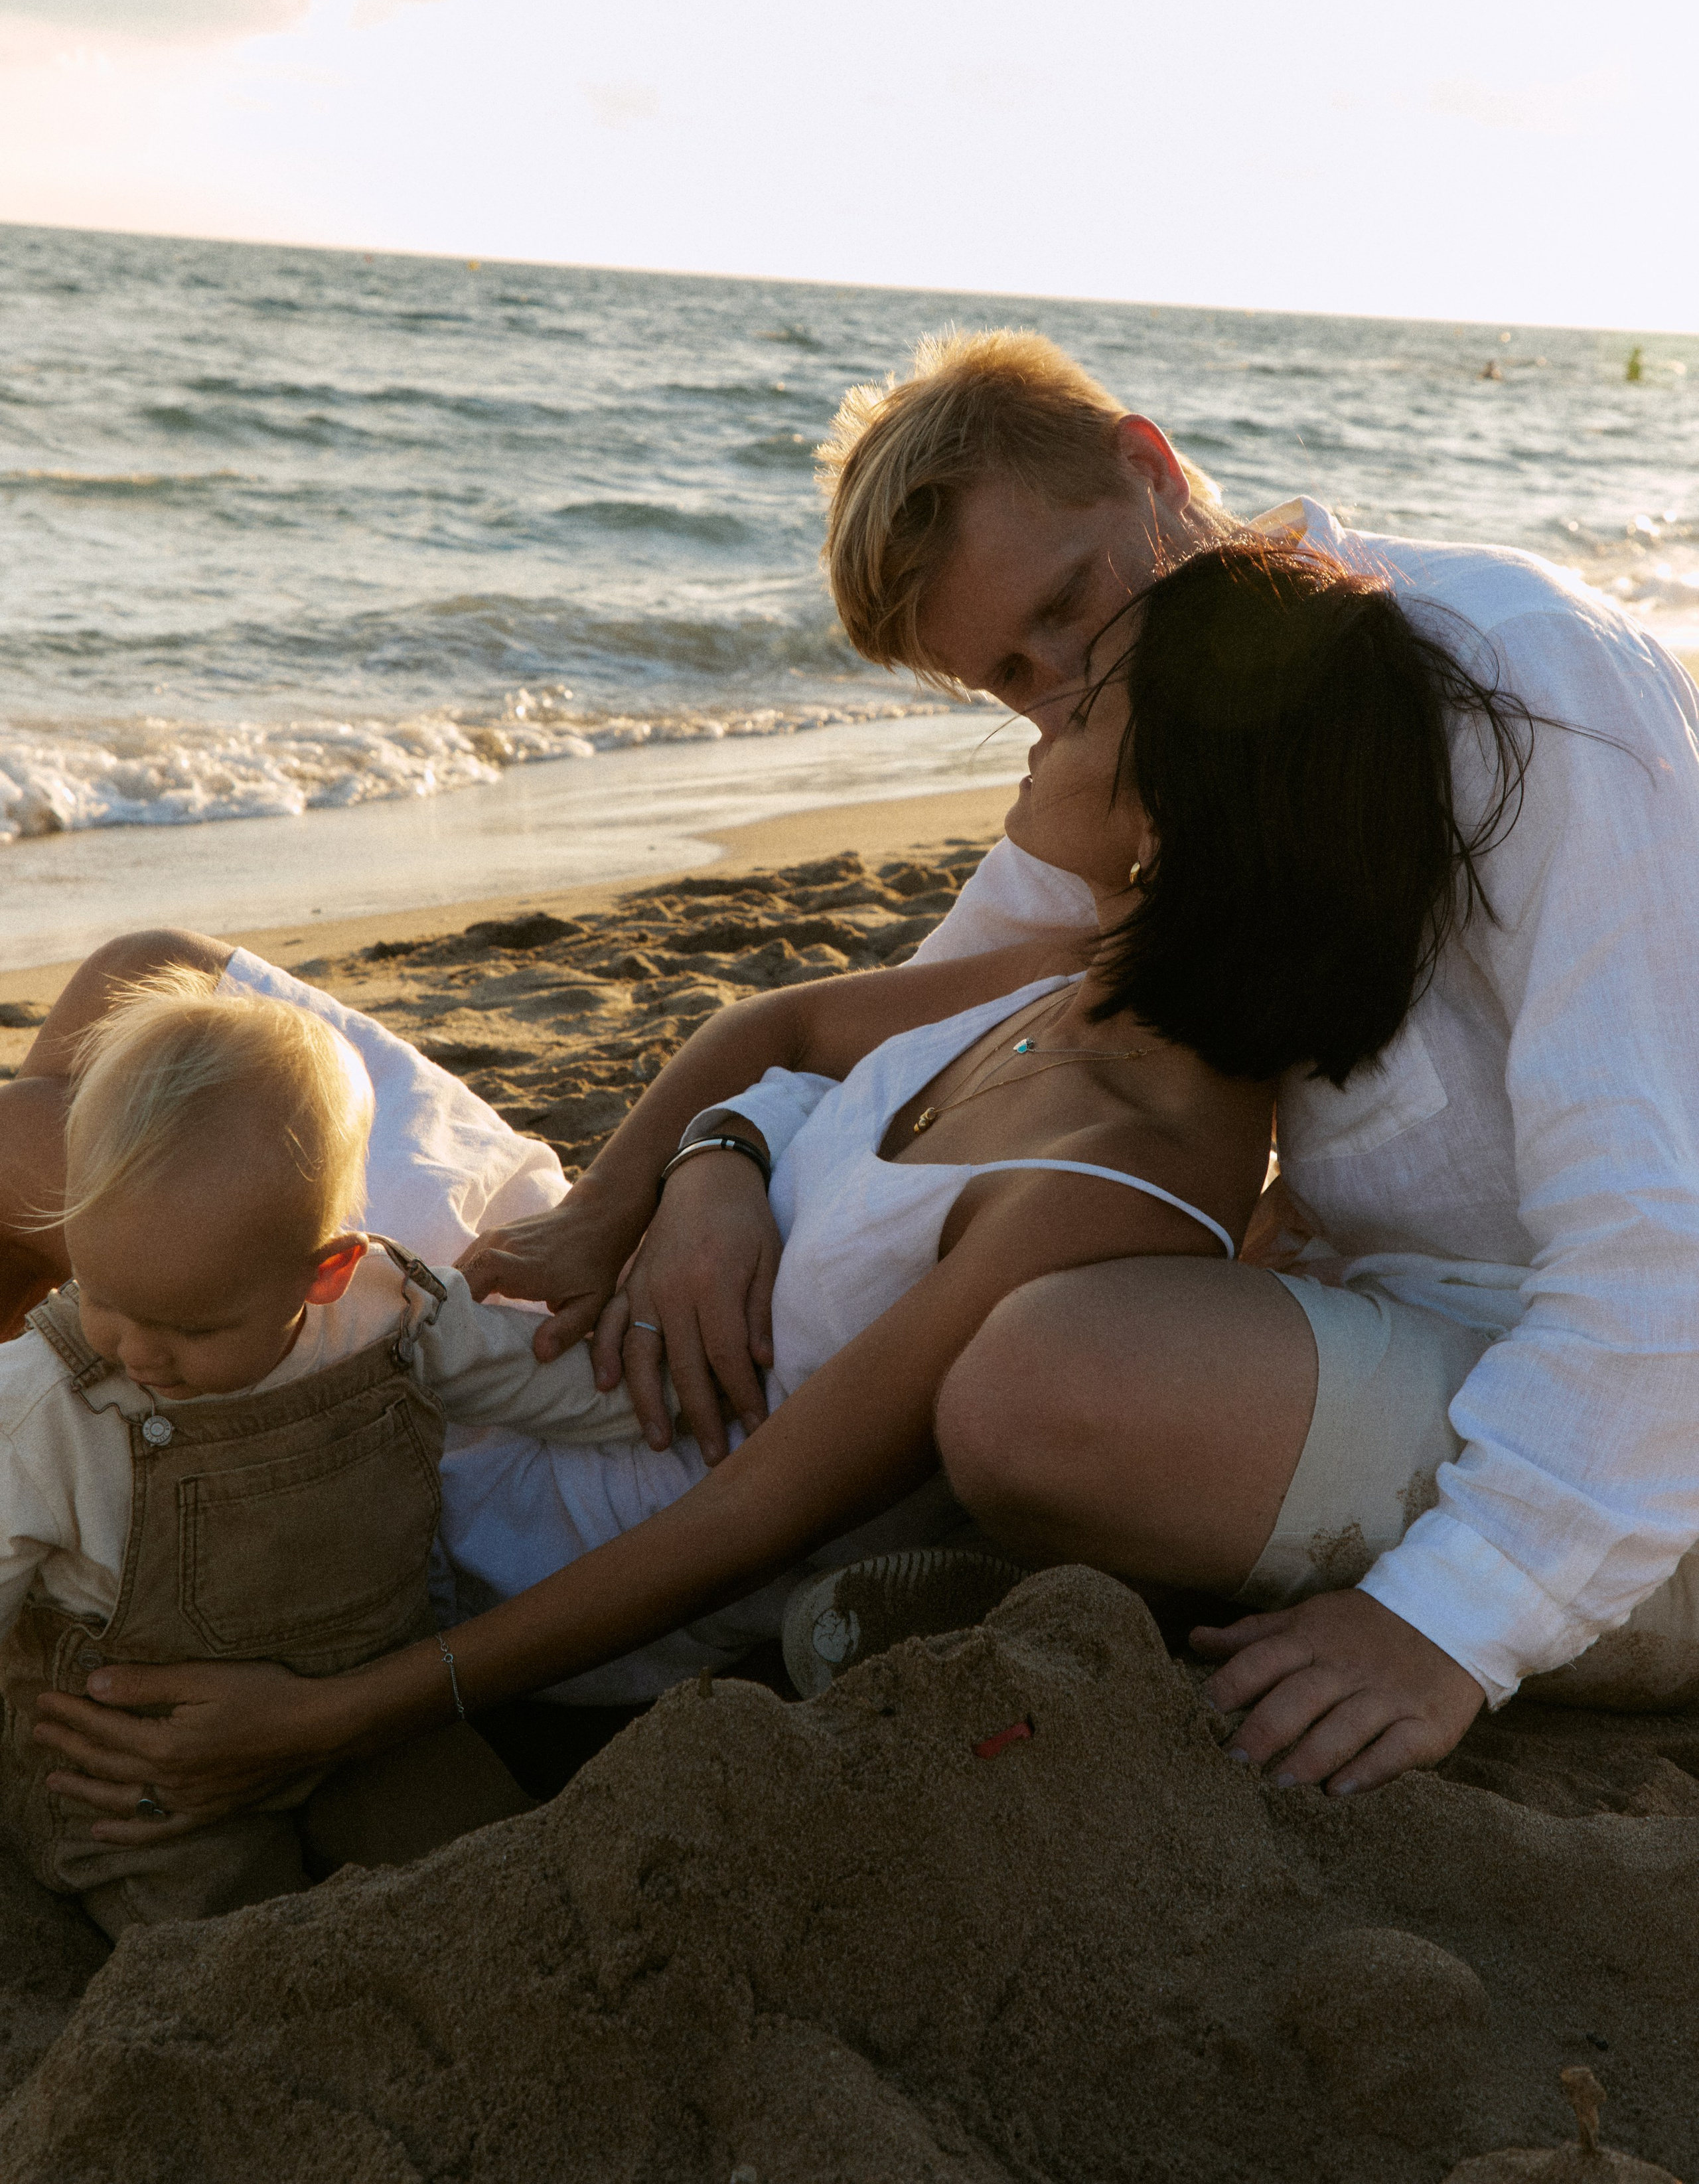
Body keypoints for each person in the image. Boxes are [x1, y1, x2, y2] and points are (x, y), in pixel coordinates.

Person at [25, 538, 1558, 1843]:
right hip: (550, 1279)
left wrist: (334, 1718)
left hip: (519, 1462)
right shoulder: (1088, 968)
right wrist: (699, 1172)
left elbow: (755, 1519)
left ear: (1160, 828)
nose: (1033, 713)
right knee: (137, 982)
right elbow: (777, 1027)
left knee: (43, 1147)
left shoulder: (1112, 1180)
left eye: (1082, 702)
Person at [1, 969, 659, 1928]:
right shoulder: (41, 1401)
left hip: (365, 1713)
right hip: (144, 1770)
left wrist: (657, 1396)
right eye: (102, 1297)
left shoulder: (386, 1315)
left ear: (327, 1271)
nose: (138, 1351)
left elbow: (524, 1376)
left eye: (190, 1326)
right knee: (212, 1937)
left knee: (500, 1868)